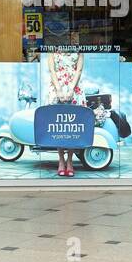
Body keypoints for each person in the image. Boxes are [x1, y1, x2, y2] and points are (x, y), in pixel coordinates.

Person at [45, 49, 84, 177]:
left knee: (73, 126)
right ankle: (61, 160)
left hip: (74, 86)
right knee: (59, 125)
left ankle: (70, 160)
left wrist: (71, 88)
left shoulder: (79, 47)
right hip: (57, 86)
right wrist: (58, 90)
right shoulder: (51, 47)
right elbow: (52, 70)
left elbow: (79, 70)